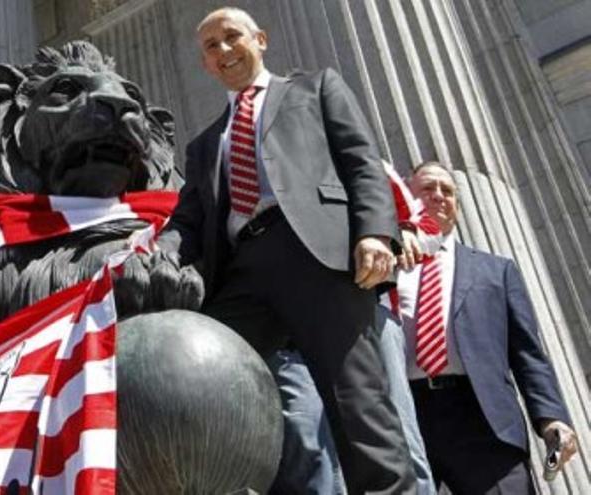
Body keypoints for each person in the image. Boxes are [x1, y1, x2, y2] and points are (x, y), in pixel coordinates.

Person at [158, 7, 416, 494]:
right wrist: (156, 252)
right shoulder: (204, 145)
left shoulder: (315, 89)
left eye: (231, 37)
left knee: (357, 402)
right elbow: (187, 221)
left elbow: (361, 164)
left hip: (317, 255)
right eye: (210, 47)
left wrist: (375, 234)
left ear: (260, 39)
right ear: (206, 65)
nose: (223, 51)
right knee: (204, 373)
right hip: (244, 274)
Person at [402, 161, 579, 493]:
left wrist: (551, 418)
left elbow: (528, 354)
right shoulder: (384, 267)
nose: (439, 195)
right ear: (406, 197)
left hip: (485, 421)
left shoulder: (496, 270)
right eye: (427, 188)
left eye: (448, 190)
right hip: (405, 417)